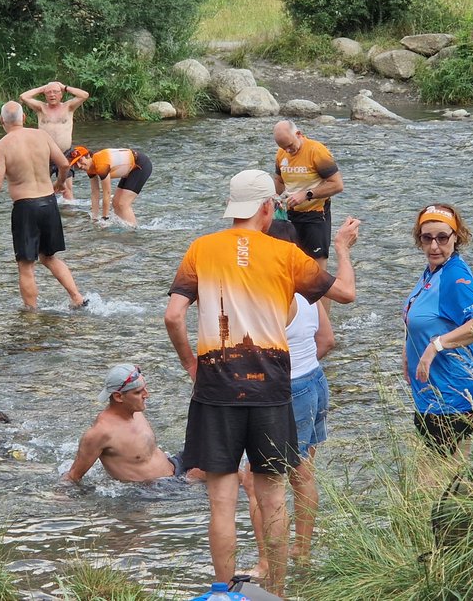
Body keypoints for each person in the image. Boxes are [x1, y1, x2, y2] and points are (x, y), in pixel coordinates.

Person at [164, 169, 361, 596]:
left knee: (221, 500)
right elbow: (345, 293)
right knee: (272, 495)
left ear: (234, 209)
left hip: (215, 390)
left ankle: (222, 592)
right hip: (271, 390)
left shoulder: (201, 248)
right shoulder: (283, 255)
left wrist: (191, 366)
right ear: (268, 208)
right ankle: (277, 590)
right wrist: (342, 248)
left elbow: (173, 316)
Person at [241, 220, 336, 579]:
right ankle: (303, 550)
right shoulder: (308, 291)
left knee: (258, 480)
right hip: (314, 381)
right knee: (302, 472)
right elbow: (326, 341)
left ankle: (266, 563)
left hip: (286, 389)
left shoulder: (272, 293)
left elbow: (257, 352)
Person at [402, 205, 473, 467]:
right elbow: (423, 318)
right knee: (444, 472)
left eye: (442, 237)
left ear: (457, 236)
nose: (434, 246)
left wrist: (435, 347)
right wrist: (407, 352)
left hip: (451, 391)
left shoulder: (454, 274)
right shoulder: (433, 270)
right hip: (431, 389)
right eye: (426, 238)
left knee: (436, 475)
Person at [0, 101, 86, 311]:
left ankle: (32, 314)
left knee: (26, 265)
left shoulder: (1, 146)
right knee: (50, 257)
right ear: (24, 118)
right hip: (49, 202)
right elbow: (64, 164)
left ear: (1, 121)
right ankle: (77, 297)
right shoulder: (41, 136)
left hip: (25, 207)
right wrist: (60, 184)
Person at [63, 364, 202, 484]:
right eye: (138, 392)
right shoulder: (100, 433)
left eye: (145, 388)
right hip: (159, 489)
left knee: (217, 448)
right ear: (118, 397)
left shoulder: (135, 411)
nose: (146, 395)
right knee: (215, 469)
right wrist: (60, 495)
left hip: (175, 465)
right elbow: (73, 476)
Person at [272, 120, 343, 266]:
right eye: (283, 147)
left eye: (290, 146)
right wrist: (277, 198)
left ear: (298, 134)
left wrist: (306, 194)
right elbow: (279, 181)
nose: (288, 151)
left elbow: (337, 185)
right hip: (290, 216)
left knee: (316, 268)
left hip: (315, 216)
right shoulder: (281, 154)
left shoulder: (317, 151)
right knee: (289, 263)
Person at [20, 81, 90, 200]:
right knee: (40, 188)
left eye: (55, 92)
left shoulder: (68, 107)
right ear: (45, 95)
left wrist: (65, 87)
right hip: (45, 154)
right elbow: (23, 97)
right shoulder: (41, 108)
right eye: (49, 93)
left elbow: (84, 95)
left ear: (61, 94)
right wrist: (42, 88)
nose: (52, 95)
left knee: (67, 191)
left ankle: (68, 215)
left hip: (65, 153)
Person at [68, 146, 153, 226]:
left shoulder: (101, 165)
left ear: (88, 156)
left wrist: (104, 218)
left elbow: (107, 193)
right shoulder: (89, 167)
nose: (79, 166)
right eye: (76, 163)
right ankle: (124, 230)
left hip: (140, 165)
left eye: (80, 160)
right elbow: (95, 192)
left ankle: (133, 231)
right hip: (130, 169)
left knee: (123, 204)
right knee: (116, 203)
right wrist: (94, 217)